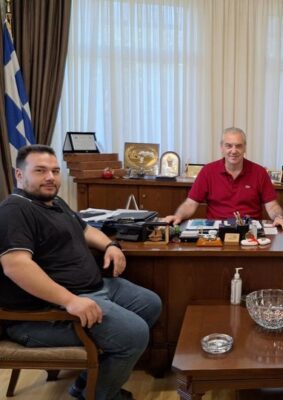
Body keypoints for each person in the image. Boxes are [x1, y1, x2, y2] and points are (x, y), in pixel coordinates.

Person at [0, 145, 162, 400]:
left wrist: (110, 246)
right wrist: (70, 301)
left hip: (94, 289)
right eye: (40, 171)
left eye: (55, 171)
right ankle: (99, 395)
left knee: (150, 304)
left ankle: (87, 384)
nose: (50, 177)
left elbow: (86, 230)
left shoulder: (55, 202)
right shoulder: (14, 210)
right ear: (19, 175)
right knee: (134, 334)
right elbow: (15, 265)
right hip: (49, 312)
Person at [164, 127, 283, 230]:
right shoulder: (208, 171)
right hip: (216, 231)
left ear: (245, 148)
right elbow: (190, 204)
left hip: (250, 231)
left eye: (238, 146)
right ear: (222, 147)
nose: (234, 150)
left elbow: (272, 206)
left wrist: (278, 217)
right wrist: (178, 216)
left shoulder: (259, 172)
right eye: (229, 145)